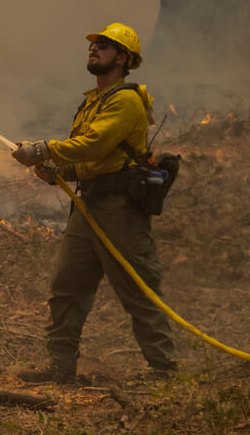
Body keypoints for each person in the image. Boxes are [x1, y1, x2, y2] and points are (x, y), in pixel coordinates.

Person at [10, 23, 176, 384]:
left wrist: (44, 149)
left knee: (138, 289)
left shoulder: (125, 100)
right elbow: (91, 159)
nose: (94, 48)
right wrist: (58, 171)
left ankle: (163, 371)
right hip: (88, 208)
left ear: (123, 58)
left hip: (120, 212)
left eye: (104, 45)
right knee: (67, 287)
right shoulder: (93, 101)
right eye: (93, 45)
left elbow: (95, 144)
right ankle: (61, 367)